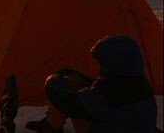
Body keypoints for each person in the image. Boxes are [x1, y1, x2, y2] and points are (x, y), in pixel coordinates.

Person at [26, 35, 157, 133]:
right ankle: (51, 125)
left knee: (69, 91)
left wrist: (53, 80)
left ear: (113, 64)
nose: (100, 69)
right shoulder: (140, 84)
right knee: (75, 83)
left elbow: (70, 102)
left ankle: (51, 127)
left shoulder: (110, 92)